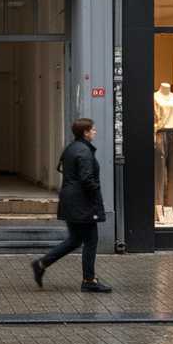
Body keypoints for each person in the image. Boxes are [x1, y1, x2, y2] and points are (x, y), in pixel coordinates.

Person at [31, 118, 112, 293]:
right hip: (82, 203)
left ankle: (41, 263)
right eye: (93, 129)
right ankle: (89, 280)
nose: (95, 132)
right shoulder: (84, 152)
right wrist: (96, 195)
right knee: (91, 240)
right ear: (86, 132)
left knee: (75, 240)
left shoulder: (71, 148)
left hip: (70, 200)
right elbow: (86, 179)